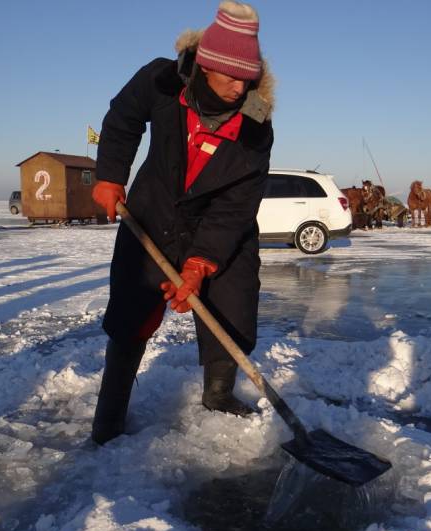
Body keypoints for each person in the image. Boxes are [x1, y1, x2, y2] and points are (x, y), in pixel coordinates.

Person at [90, 1, 274, 445]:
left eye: (246, 77)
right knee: (131, 312)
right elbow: (122, 119)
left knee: (232, 305)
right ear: (206, 66)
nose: (239, 86)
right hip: (152, 215)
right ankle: (110, 414)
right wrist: (111, 175)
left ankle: (219, 396)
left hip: (219, 228)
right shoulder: (162, 80)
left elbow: (235, 207)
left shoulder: (255, 127)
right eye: (230, 74)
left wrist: (200, 263)